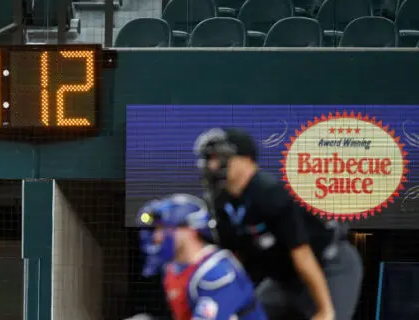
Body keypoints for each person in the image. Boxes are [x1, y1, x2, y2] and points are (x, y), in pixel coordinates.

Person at [193, 127, 363, 320]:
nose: (213, 165)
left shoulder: (269, 193)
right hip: (283, 279)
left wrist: (325, 310)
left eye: (220, 157)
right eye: (209, 159)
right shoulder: (221, 202)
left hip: (327, 267)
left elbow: (303, 254)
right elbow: (235, 261)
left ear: (246, 160)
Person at [125, 193, 267, 320]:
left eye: (165, 229)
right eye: (157, 229)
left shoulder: (218, 272)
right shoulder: (172, 269)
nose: (157, 237)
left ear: (190, 230)